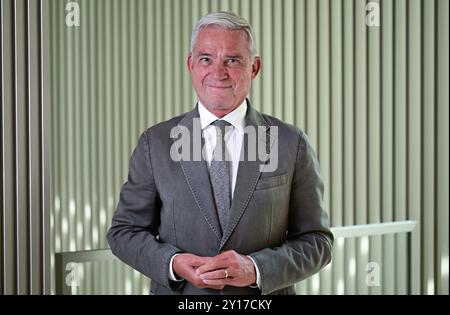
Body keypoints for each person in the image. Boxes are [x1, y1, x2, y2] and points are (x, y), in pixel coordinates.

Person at [107, 11, 333, 295]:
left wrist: (256, 268)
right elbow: (124, 232)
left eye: (233, 60)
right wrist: (173, 263)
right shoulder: (156, 143)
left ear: (254, 67)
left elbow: (317, 242)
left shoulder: (290, 143)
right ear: (191, 65)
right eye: (206, 59)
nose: (218, 72)